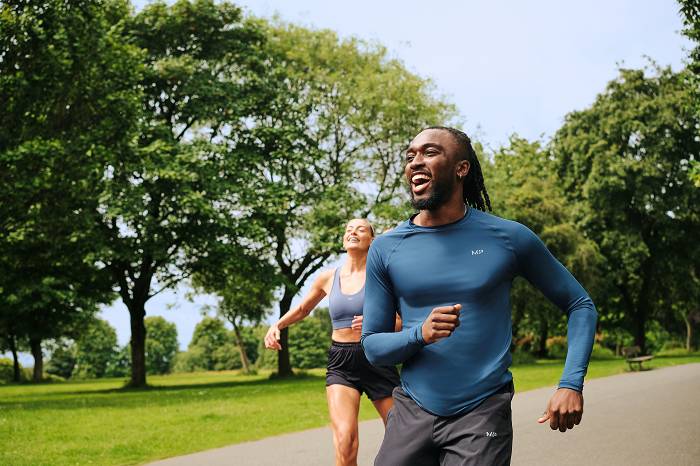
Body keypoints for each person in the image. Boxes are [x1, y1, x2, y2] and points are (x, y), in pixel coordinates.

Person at [361, 126, 598, 466]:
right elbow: (372, 346)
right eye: (410, 156)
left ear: (461, 168)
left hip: (483, 413)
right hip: (412, 409)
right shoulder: (386, 248)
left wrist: (570, 383)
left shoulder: (509, 237)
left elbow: (580, 305)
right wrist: (419, 334)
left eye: (429, 152)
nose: (415, 162)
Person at [264, 218, 401, 466]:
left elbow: (402, 321)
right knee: (345, 441)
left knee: (401, 436)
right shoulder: (328, 278)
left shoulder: (383, 275)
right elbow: (303, 309)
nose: (353, 232)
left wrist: (376, 322)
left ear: (372, 239)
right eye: (348, 229)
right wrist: (277, 325)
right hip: (341, 363)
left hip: (376, 357)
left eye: (360, 229)